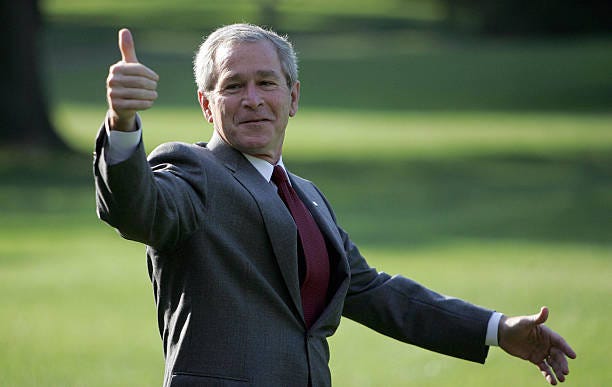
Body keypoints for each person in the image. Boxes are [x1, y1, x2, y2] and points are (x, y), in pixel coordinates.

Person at [94, 24, 576, 386]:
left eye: (267, 83)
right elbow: (139, 209)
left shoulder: (307, 195)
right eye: (233, 86)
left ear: (293, 96)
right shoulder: (193, 170)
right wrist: (122, 123)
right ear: (206, 104)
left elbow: (377, 294)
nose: (253, 99)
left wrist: (497, 329)